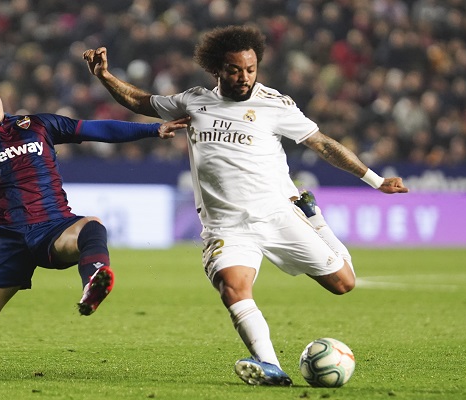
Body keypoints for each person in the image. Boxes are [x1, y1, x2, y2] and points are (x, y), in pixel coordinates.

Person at [83, 25, 408, 386]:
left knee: (344, 283)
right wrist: (105, 77)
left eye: (251, 70)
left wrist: (376, 180)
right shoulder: (193, 101)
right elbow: (141, 101)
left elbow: (323, 144)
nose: (244, 77)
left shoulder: (275, 104)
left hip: (278, 215)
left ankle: (315, 220)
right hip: (226, 226)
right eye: (235, 70)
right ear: (217, 69)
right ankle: (270, 366)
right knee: (232, 286)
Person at [0, 70, 189, 374]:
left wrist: (153, 129)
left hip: (53, 227)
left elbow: (96, 129)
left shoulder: (38, 125)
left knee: (91, 225)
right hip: (5, 239)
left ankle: (93, 281)